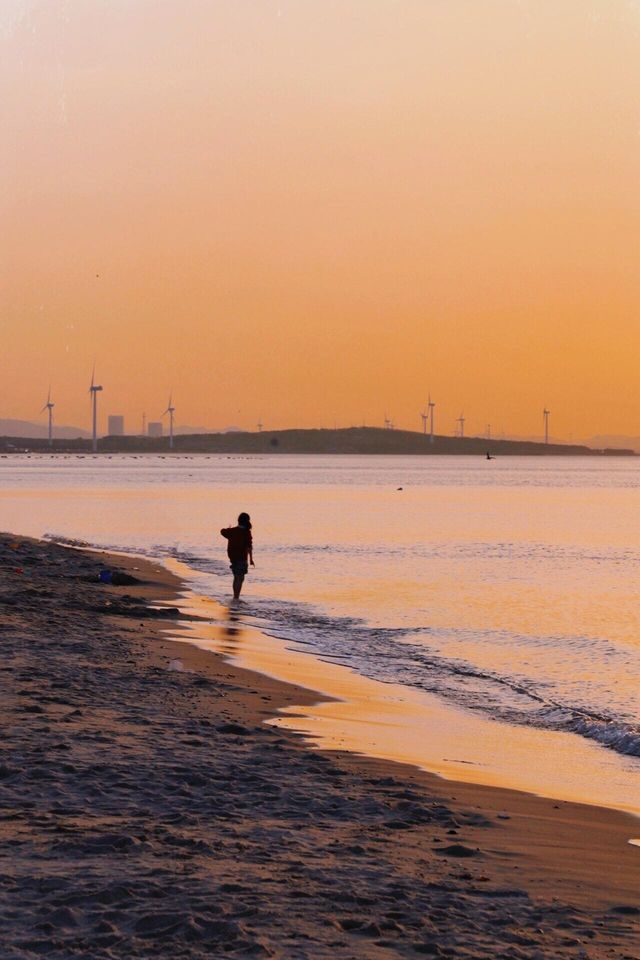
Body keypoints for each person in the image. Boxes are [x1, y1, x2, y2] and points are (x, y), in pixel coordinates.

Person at [220, 512, 254, 600]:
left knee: (236, 577)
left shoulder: (232, 531)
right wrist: (251, 559)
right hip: (242, 558)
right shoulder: (246, 532)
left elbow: (222, 531)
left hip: (233, 558)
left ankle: (235, 596)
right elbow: (249, 547)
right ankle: (236, 597)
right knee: (240, 578)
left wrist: (228, 528)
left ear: (238, 520)